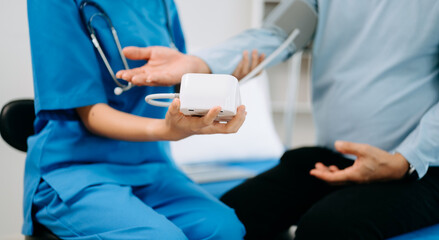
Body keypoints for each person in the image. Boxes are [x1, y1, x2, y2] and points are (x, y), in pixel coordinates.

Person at [116, 0, 439, 239]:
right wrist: (199, 63)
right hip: (334, 159)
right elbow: (277, 35)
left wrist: (405, 161)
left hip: (422, 168)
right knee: (233, 219)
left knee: (327, 229)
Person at [24, 1, 251, 239]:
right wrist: (166, 129)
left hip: (153, 167)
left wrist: (219, 80)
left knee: (225, 230)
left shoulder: (161, 3)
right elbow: (91, 114)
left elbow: (178, 82)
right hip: (77, 170)